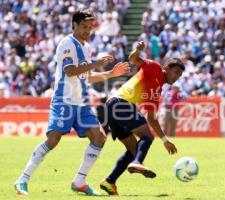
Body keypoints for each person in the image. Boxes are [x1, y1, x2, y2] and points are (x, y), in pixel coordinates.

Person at [14, 8, 130, 196]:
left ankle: (80, 181)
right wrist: (96, 63)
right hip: (63, 101)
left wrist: (110, 73)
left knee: (99, 137)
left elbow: (86, 76)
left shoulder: (86, 47)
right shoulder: (67, 43)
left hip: (81, 103)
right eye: (84, 26)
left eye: (90, 27)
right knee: (53, 139)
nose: (87, 30)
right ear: (74, 25)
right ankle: (22, 180)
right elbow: (70, 71)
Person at [99, 41, 185, 195]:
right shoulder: (155, 67)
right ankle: (138, 162)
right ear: (167, 68)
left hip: (113, 108)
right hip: (120, 103)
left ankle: (109, 182)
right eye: (176, 72)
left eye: (180, 74)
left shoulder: (156, 92)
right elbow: (133, 59)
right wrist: (137, 50)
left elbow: (152, 119)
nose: (177, 76)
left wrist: (165, 141)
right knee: (146, 136)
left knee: (133, 150)